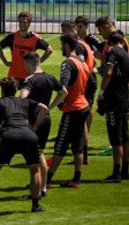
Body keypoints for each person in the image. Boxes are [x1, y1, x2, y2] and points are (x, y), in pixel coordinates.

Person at [0, 77, 48, 213]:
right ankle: (35, 205)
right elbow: (44, 108)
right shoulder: (24, 101)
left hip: (9, 136)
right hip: (29, 136)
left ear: (2, 90)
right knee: (34, 169)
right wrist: (34, 128)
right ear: (15, 90)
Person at [45, 34, 91, 189]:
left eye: (62, 45)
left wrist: (50, 107)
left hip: (73, 109)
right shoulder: (82, 62)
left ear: (68, 46)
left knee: (60, 146)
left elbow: (63, 89)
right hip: (83, 106)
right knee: (77, 145)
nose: (60, 48)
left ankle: (47, 180)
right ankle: (76, 179)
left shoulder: (68, 64)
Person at [20, 52, 67, 197]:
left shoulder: (30, 80)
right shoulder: (50, 77)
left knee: (34, 155)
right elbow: (63, 92)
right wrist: (50, 107)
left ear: (28, 63)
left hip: (33, 120)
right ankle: (43, 187)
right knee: (40, 153)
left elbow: (23, 98)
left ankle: (37, 188)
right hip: (46, 118)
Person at [96, 32, 129, 182]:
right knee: (124, 136)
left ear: (109, 42)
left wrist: (101, 92)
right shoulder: (126, 55)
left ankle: (116, 173)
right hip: (123, 98)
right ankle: (125, 171)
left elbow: (108, 72)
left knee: (115, 137)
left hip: (113, 99)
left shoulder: (112, 51)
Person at [62, 19, 95, 165]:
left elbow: (79, 65)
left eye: (65, 32)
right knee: (82, 121)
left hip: (84, 83)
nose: (64, 37)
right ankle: (82, 154)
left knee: (81, 123)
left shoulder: (79, 47)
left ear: (73, 30)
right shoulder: (84, 44)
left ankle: (83, 155)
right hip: (87, 81)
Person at [0, 11, 53, 87]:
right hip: (14, 73)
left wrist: (38, 62)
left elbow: (49, 49)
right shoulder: (13, 36)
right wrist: (5, 62)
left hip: (29, 75)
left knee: (26, 97)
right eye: (20, 22)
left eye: (24, 22)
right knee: (10, 97)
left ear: (29, 23)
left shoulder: (35, 38)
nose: (21, 24)